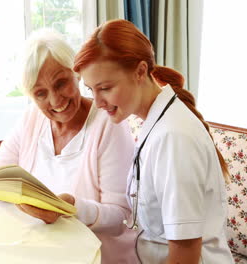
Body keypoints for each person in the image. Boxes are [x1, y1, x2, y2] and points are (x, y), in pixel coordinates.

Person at [74, 19, 234, 263]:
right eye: (90, 90)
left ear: (139, 71)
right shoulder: (154, 124)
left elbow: (185, 253)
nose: (97, 102)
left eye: (105, 88)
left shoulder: (173, 138)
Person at [0, 28, 137, 263]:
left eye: (61, 83)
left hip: (97, 257)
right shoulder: (31, 119)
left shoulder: (108, 124)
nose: (55, 101)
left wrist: (74, 209)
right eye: (41, 93)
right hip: (41, 251)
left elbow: (122, 218)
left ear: (76, 74)